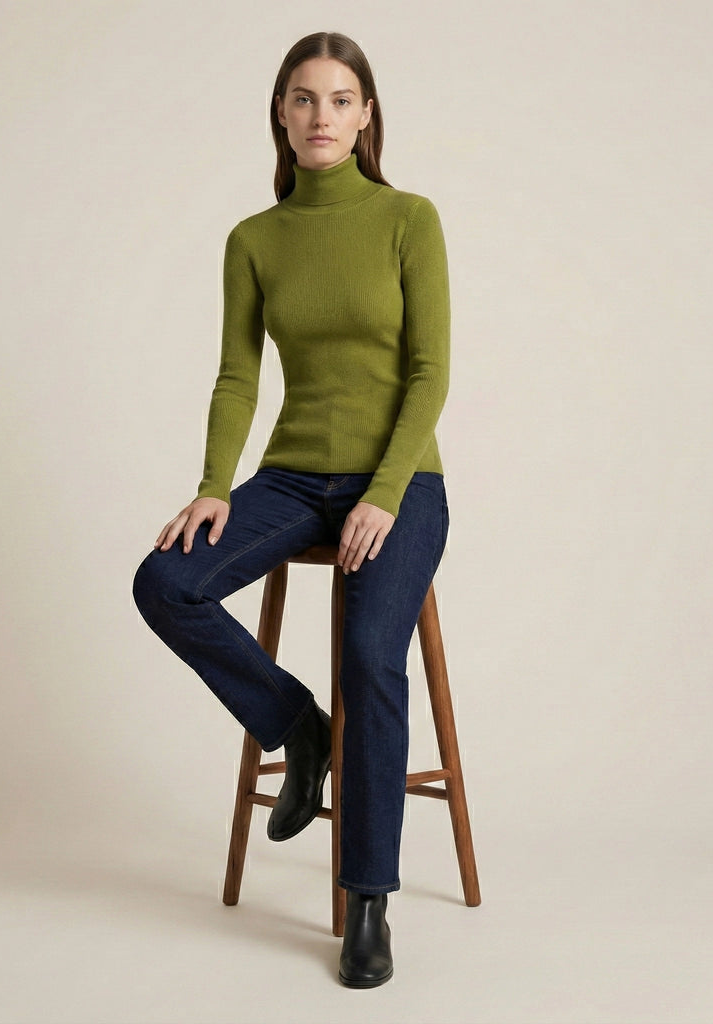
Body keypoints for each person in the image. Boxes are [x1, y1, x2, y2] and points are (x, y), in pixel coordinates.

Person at [132, 30, 450, 989]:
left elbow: (431, 375)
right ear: (281, 112)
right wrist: (215, 486)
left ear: (366, 116)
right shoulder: (254, 239)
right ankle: (297, 726)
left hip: (403, 481)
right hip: (293, 478)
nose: (321, 116)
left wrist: (386, 496)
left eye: (340, 99)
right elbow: (239, 375)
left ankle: (367, 903)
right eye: (304, 99)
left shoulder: (409, 219)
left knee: (369, 654)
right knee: (166, 582)